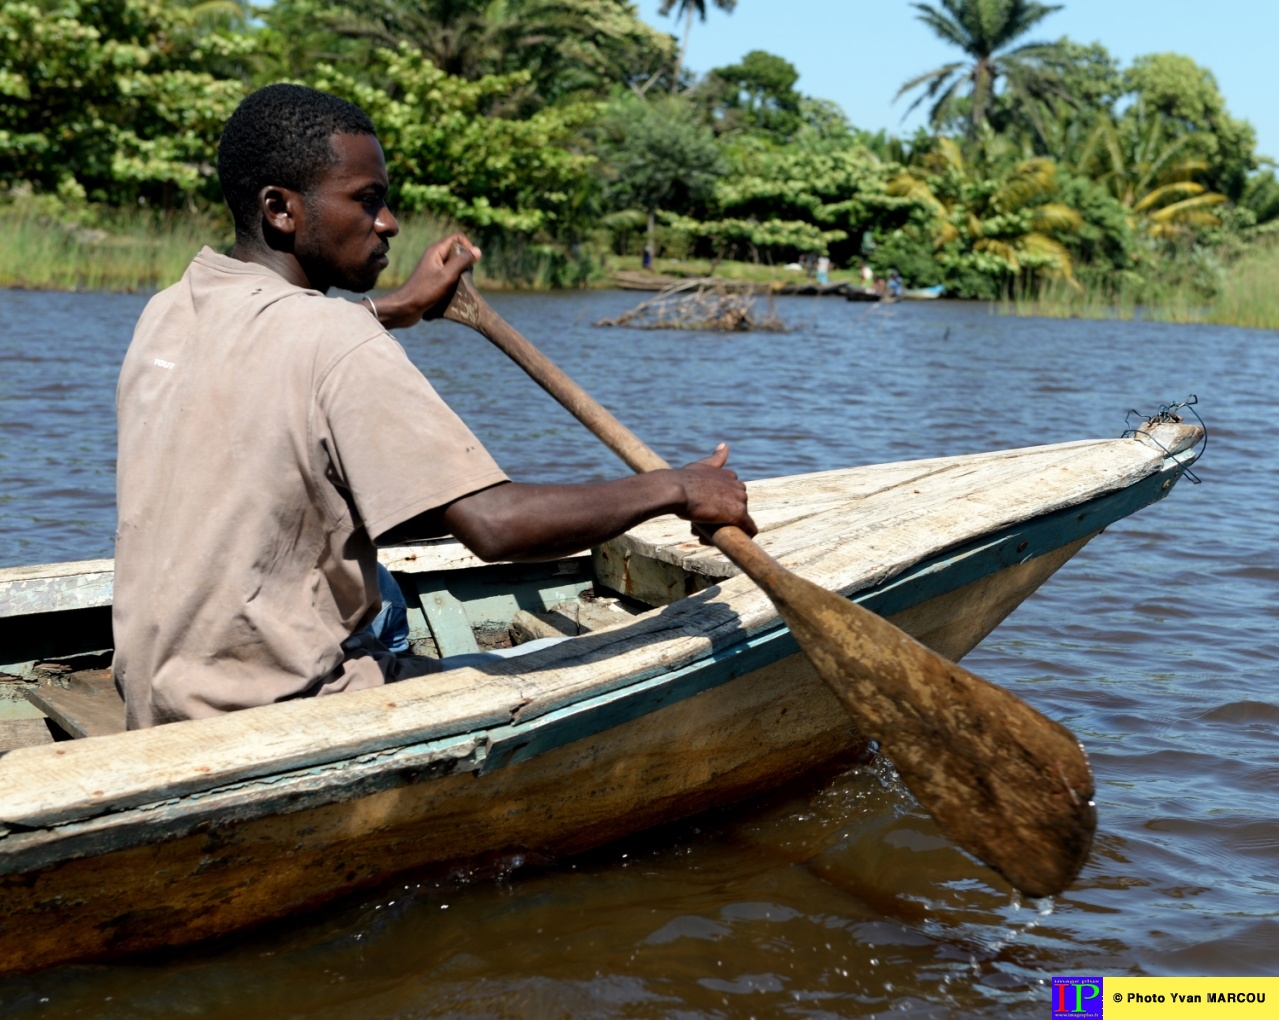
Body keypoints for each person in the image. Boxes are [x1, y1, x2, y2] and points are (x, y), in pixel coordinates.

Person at [112, 84, 755, 729]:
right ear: (281, 209)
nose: (388, 222)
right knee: (533, 655)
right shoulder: (337, 339)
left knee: (383, 590)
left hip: (156, 694)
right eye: (367, 201)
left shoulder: (171, 308)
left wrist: (401, 308)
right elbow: (494, 525)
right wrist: (676, 487)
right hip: (273, 708)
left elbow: (286, 343)